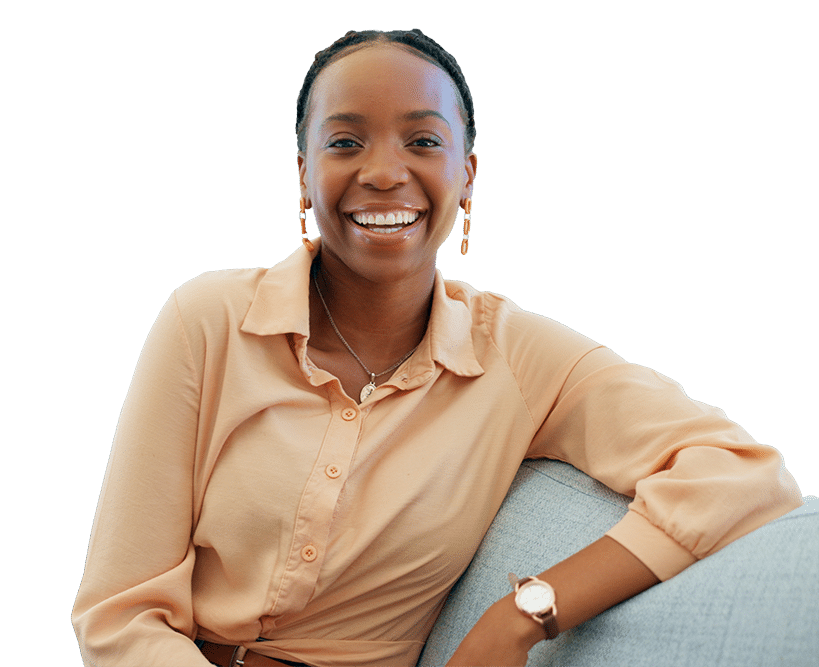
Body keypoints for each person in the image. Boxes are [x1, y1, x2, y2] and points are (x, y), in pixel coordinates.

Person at [72, 29, 803, 667]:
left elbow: (739, 470)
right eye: (344, 141)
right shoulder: (206, 319)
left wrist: (523, 614)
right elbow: (118, 612)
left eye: (422, 141)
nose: (384, 172)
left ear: (466, 175)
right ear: (303, 173)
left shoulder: (519, 358)